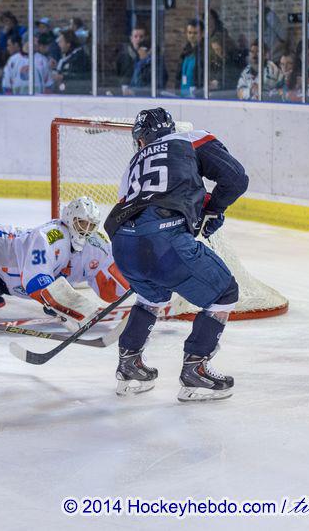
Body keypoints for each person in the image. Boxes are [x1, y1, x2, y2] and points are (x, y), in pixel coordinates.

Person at [105, 108, 248, 402]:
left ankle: (129, 365)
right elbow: (236, 179)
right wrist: (211, 209)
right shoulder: (192, 139)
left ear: (141, 140)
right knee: (224, 294)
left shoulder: (133, 163)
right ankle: (196, 369)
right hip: (163, 239)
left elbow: (139, 204)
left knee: (151, 296)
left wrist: (195, 213)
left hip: (122, 244)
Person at [0, 197, 129, 328]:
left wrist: (139, 285)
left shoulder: (95, 244)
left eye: (91, 226)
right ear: (70, 218)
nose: (85, 230)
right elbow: (35, 282)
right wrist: (74, 306)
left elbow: (114, 274)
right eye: (82, 223)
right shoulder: (49, 236)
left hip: (1, 278)